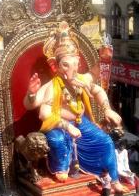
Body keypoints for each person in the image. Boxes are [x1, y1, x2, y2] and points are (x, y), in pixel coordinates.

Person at [23, 21, 122, 185]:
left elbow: (96, 85)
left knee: (106, 141)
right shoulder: (52, 86)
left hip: (80, 122)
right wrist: (32, 94)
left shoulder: (80, 79)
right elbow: (38, 109)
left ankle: (113, 177)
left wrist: (107, 109)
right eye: (66, 65)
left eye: (76, 64)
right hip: (58, 125)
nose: (73, 70)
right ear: (54, 65)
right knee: (58, 141)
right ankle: (60, 167)